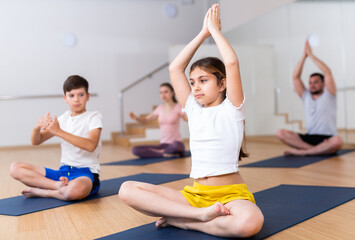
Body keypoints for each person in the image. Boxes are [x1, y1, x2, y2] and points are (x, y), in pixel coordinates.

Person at [118, 5, 264, 238]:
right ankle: (198, 215)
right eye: (193, 82)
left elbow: (232, 63)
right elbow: (175, 67)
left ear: (222, 84)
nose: (196, 87)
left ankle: (186, 222)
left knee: (250, 223)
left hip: (231, 195)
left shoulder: (232, 109)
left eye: (203, 80)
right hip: (194, 196)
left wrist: (215, 31)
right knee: (127, 189)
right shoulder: (193, 110)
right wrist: (202, 34)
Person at [10, 75, 103, 201]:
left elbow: (91, 145)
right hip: (63, 173)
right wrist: (37, 128)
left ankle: (44, 192)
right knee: (15, 168)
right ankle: (58, 187)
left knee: (73, 191)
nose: (76, 99)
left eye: (81, 95)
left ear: (88, 96)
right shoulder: (63, 119)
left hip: (85, 174)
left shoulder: (93, 117)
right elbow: (37, 141)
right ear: (65, 98)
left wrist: (58, 131)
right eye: (72, 95)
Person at [276, 41, 343, 156]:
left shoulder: (329, 94)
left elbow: (327, 72)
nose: (312, 85)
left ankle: (304, 152)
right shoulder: (306, 96)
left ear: (324, 84)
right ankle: (313, 151)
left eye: (316, 82)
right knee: (280, 133)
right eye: (310, 82)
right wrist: (304, 56)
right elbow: (295, 77)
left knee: (337, 141)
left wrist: (311, 55)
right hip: (309, 137)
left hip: (327, 137)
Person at [129, 82, 188, 158]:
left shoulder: (178, 107)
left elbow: (188, 119)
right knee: (135, 150)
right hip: (163, 145)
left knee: (176, 146)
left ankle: (162, 153)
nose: (163, 95)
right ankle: (164, 153)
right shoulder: (159, 108)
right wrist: (136, 118)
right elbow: (146, 119)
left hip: (176, 143)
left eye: (166, 92)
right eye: (161, 93)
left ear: (172, 93)